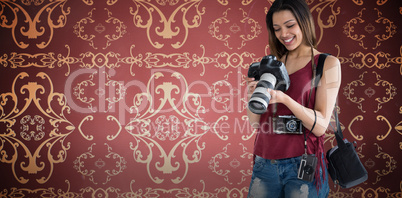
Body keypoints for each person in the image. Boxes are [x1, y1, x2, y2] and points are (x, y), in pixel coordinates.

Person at [246, 0, 341, 197]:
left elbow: (321, 126)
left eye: (290, 26)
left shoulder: (327, 64)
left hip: (303, 163)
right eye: (277, 28)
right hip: (264, 162)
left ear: (304, 22)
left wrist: (284, 99)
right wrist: (251, 97)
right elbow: (256, 124)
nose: (284, 34)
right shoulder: (271, 65)